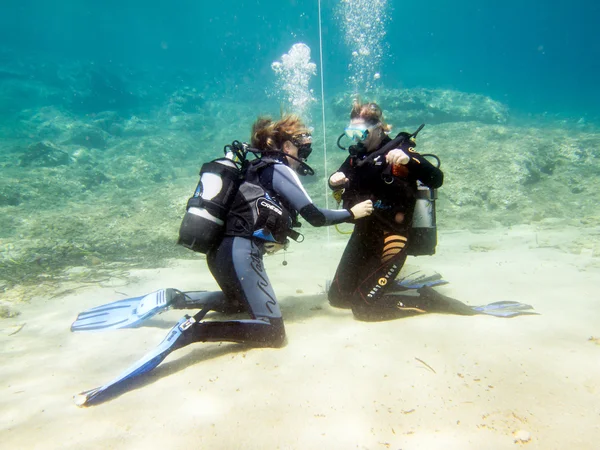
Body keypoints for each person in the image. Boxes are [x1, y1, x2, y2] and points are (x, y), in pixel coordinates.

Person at [72, 114, 374, 406]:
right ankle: (192, 331)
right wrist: (353, 212)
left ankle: (177, 298)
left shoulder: (255, 169)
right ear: (285, 146)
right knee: (272, 331)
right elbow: (316, 217)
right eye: (301, 140)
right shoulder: (279, 169)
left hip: (221, 254)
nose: (306, 146)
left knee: (238, 304)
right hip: (239, 255)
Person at [327, 100, 444, 321]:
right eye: (351, 132)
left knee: (363, 308)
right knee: (338, 298)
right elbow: (339, 178)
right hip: (363, 235)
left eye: (361, 132)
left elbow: (436, 180)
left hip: (392, 237)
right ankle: (378, 283)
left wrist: (410, 161)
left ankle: (428, 301)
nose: (356, 139)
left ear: (379, 128)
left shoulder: (399, 151)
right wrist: (333, 181)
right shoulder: (355, 158)